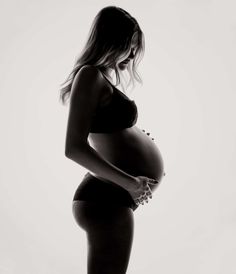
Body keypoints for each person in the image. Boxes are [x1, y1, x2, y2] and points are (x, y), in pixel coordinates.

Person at [59, 6, 166, 274]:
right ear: (110, 41)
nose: (131, 54)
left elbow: (107, 133)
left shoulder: (101, 78)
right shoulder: (90, 75)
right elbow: (73, 148)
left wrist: (134, 139)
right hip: (106, 198)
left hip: (112, 198)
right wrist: (130, 181)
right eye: (128, 46)